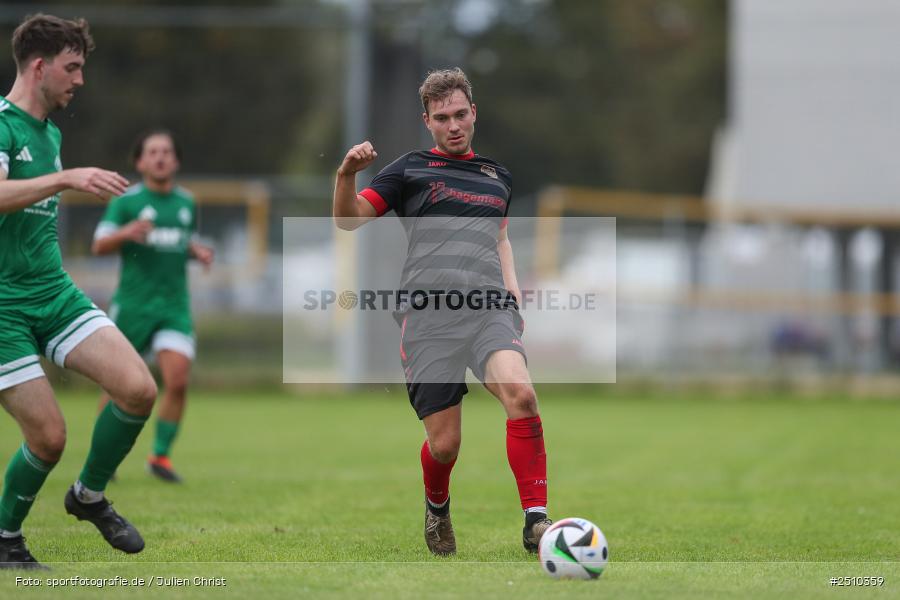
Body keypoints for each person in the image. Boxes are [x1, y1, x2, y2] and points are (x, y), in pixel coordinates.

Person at [332, 68, 551, 555]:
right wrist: (346, 174)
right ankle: (437, 507)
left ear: (474, 113)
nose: (453, 125)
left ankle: (536, 520)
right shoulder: (408, 169)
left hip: (489, 309)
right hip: (428, 317)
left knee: (522, 395)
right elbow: (348, 221)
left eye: (460, 115)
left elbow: (501, 238)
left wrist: (513, 299)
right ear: (427, 121)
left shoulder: (499, 177)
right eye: (441, 118)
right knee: (445, 445)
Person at [0, 14, 157, 569]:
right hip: (1, 310)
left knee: (138, 389)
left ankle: (88, 496)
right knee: (48, 437)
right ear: (39, 66)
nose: (80, 80)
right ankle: (6, 539)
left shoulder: (51, 133)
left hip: (53, 292)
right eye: (72, 67)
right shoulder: (1, 126)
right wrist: (67, 179)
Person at [92, 130, 213, 483]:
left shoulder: (186, 203)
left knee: (177, 381)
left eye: (166, 152)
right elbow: (99, 245)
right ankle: (105, 458)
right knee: (118, 387)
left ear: (175, 161)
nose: (160, 157)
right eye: (153, 152)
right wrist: (124, 233)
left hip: (174, 307)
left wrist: (197, 251)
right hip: (133, 306)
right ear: (140, 161)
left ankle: (160, 456)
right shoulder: (126, 203)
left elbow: (178, 240)